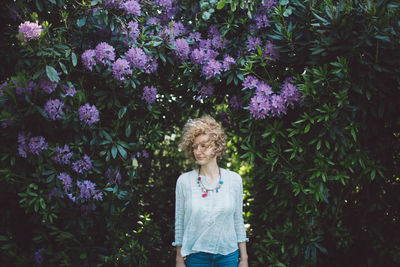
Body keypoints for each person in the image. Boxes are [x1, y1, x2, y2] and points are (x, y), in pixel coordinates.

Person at [173, 115, 249, 267]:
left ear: (217, 146)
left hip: (228, 255)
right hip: (196, 257)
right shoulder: (184, 181)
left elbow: (238, 220)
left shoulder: (234, 180)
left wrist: (244, 258)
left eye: (204, 146)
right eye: (194, 147)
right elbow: (180, 222)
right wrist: (179, 259)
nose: (198, 151)